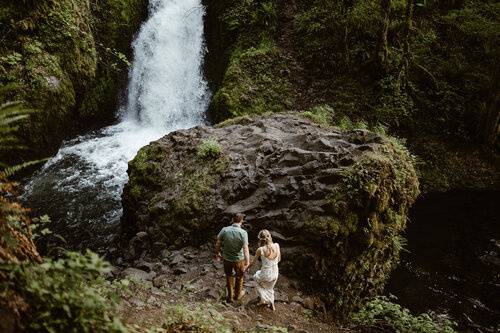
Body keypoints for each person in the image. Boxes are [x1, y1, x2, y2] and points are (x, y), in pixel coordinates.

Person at [214, 213, 250, 303]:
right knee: (239, 277)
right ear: (241, 221)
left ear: (232, 220)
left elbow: (218, 243)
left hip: (226, 259)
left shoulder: (224, 230)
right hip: (239, 259)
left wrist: (217, 253)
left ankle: (230, 297)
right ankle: (237, 295)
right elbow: (245, 249)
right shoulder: (243, 233)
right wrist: (247, 262)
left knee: (229, 276)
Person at [248, 229, 281, 311]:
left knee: (256, 278)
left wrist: (246, 268)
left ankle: (263, 300)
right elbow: (279, 259)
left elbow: (253, 263)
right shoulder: (277, 245)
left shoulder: (260, 249)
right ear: (270, 236)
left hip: (266, 273)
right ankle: (272, 305)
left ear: (260, 239)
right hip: (275, 273)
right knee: (270, 288)